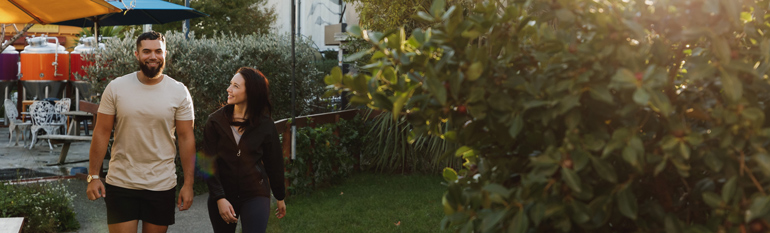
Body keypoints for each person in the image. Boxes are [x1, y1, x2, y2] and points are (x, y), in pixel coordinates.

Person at [85, 31, 196, 233]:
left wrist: (188, 184)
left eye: (158, 51)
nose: (152, 56)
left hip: (161, 184)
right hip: (121, 182)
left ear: (165, 54)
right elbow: (101, 132)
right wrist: (93, 176)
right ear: (137, 54)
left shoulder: (179, 91)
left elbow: (186, 138)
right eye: (146, 51)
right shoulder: (116, 87)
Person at [200, 67, 286, 233]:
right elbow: (207, 164)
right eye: (230, 84)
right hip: (223, 195)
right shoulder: (215, 122)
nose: (229, 89)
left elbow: (274, 163)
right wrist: (220, 198)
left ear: (251, 92)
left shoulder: (265, 124)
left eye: (236, 86)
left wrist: (280, 196)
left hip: (255, 194)